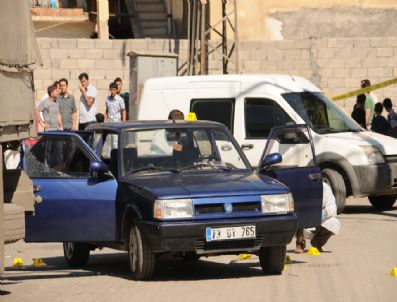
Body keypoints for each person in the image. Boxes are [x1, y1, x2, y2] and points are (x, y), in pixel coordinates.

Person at [295, 182, 341, 253]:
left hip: (320, 218)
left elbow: (332, 206)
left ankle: (317, 244)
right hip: (304, 218)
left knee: (333, 223)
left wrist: (324, 213)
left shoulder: (325, 188)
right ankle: (300, 244)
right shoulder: (301, 186)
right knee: (297, 217)